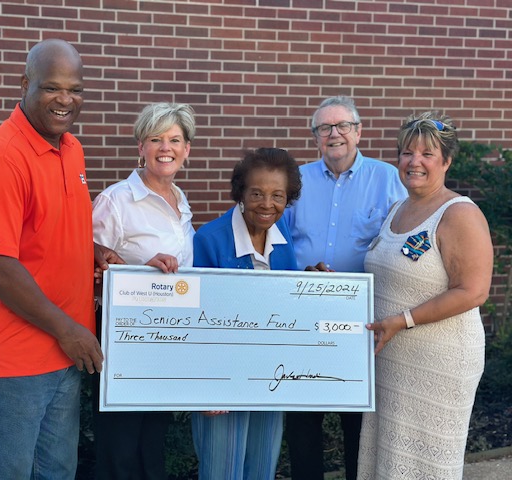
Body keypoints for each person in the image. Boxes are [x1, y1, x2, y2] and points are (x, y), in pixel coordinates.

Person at [0, 39, 122, 479]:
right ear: (25, 85)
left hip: (64, 353)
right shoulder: (0, 158)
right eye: (51, 87)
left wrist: (92, 251)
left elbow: (48, 227)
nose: (66, 99)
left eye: (75, 89)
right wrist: (69, 330)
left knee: (57, 473)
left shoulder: (71, 148)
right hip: (12, 359)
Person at [357, 112, 492, 479]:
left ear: (446, 161)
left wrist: (403, 321)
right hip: (392, 359)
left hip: (438, 363)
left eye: (427, 154)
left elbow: (473, 291)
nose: (414, 161)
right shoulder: (398, 208)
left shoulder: (459, 213)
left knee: (426, 463)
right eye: (407, 152)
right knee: (390, 459)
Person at [283, 95, 407, 480]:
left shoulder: (389, 179)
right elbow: (278, 240)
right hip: (303, 317)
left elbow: (404, 242)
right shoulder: (296, 181)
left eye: (343, 126)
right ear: (315, 137)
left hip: (362, 321)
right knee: (302, 418)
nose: (334, 134)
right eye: (324, 128)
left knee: (358, 423)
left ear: (358, 132)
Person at [91, 102, 196, 479]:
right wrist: (140, 271)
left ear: (186, 149)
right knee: (120, 445)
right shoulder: (115, 201)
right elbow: (89, 268)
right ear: (141, 147)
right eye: (155, 139)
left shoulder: (181, 201)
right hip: (123, 338)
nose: (165, 148)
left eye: (174, 140)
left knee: (153, 440)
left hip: (168, 338)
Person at [192, 147, 302, 480]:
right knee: (222, 471)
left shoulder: (283, 239)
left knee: (262, 469)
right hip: (221, 380)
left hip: (271, 375)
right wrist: (205, 387)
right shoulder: (209, 239)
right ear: (241, 193)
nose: (267, 204)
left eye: (277, 195)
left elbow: (288, 304)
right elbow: (195, 323)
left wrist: (312, 285)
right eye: (256, 193)